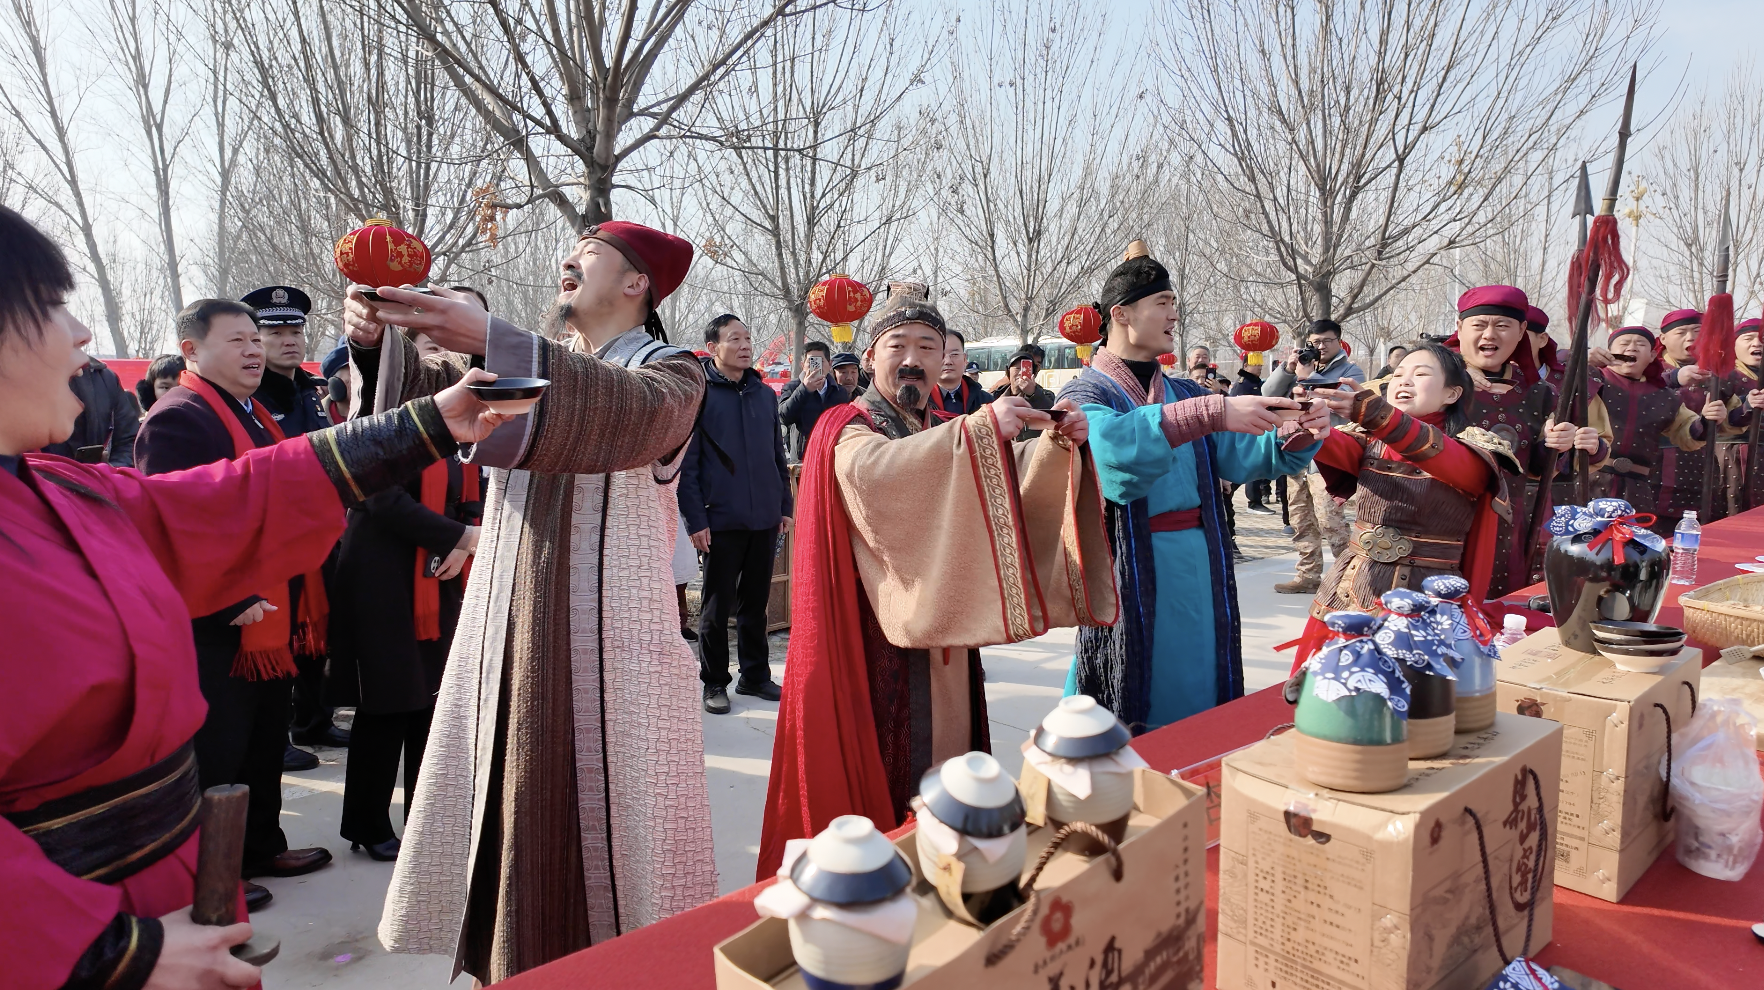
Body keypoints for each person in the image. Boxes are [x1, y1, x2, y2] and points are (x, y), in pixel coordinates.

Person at [0, 204, 508, 990]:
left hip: (167, 911)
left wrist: (428, 425)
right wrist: (108, 953)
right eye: (51, 308)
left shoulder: (56, 487)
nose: (82, 335)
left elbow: (230, 497)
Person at [349, 221, 719, 982]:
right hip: (510, 633)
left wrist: (493, 336)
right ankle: (514, 963)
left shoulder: (674, 374)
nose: (565, 259)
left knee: (617, 831)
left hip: (612, 653)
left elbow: (622, 415)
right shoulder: (548, 371)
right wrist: (378, 339)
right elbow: (441, 404)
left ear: (636, 283)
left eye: (588, 249)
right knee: (510, 804)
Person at [757, 289, 1115, 879]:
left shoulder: (947, 426)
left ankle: (952, 871)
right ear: (871, 357)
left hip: (944, 628)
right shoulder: (846, 425)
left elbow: (1003, 478)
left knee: (952, 774)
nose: (913, 360)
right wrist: (976, 435)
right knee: (896, 780)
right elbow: (875, 473)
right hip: (874, 639)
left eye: (928, 347)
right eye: (898, 346)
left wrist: (1053, 442)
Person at [1060, 246, 1325, 731]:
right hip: (1129, 565)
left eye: (1173, 302)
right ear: (1120, 314)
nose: (1174, 313)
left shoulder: (1185, 391)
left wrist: (1296, 429)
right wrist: (1214, 412)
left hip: (1201, 563)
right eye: (1162, 301)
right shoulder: (1084, 393)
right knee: (1134, 685)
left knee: (1203, 676)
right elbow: (1113, 453)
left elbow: (1241, 454)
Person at [1287, 341, 1514, 667]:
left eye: (1420, 374)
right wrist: (1308, 420)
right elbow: (1329, 443)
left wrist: (1378, 415)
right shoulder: (1368, 437)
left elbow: (1443, 458)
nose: (1403, 381)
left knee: (1417, 702)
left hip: (1427, 594)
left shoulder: (1474, 449)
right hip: (1353, 584)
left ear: (1452, 394)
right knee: (1327, 692)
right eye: (1399, 374)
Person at [327, 436, 482, 864]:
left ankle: (425, 817)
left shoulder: (454, 431)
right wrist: (461, 536)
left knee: (430, 703)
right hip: (383, 578)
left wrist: (463, 537)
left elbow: (468, 491)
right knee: (387, 702)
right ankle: (368, 823)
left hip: (439, 570)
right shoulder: (377, 425)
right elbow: (381, 498)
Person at [240, 284, 352, 759]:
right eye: (277, 332)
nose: (290, 341)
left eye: (296, 331)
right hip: (278, 535)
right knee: (282, 632)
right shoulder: (253, 397)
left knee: (316, 631)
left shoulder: (310, 393)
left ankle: (312, 720)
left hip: (318, 531)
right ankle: (279, 733)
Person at [1445, 285, 1602, 598]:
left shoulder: (1538, 392)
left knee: (1499, 614)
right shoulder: (1434, 379)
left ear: (1521, 332)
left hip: (1507, 524)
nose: (1490, 335)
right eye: (1479, 325)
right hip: (1442, 521)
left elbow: (1535, 469)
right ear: (1460, 329)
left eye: (1502, 326)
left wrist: (1557, 445)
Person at [679, 314, 793, 714]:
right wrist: (696, 520)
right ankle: (714, 681)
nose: (745, 345)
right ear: (713, 348)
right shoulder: (701, 394)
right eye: (735, 339)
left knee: (756, 602)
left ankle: (755, 675)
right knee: (715, 605)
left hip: (763, 515)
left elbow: (776, 455)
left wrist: (784, 506)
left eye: (747, 338)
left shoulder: (764, 394)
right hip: (720, 518)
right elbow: (688, 465)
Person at [1262, 318, 1366, 594]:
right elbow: (1267, 393)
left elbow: (1342, 403)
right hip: (1296, 453)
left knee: (1330, 521)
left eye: (1326, 341)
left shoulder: (1351, 372)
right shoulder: (1299, 368)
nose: (1320, 347)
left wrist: (1308, 379)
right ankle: (1308, 575)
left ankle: (1350, 579)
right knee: (1300, 517)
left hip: (1327, 456)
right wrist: (1288, 369)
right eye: (1315, 342)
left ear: (1338, 341)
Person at [1586, 324, 1717, 537]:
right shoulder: (1591, 380)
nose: (1632, 348)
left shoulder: (1665, 396)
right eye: (1624, 343)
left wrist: (1708, 420)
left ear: (1653, 355)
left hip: (1638, 489)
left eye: (1640, 344)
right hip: (1587, 479)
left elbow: (1688, 434)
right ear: (1609, 352)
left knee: (1636, 553)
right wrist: (1580, 362)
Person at [39, 353, 138, 467]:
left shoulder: (105, 377)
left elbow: (128, 439)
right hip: (40, 480)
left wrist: (107, 473)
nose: (85, 336)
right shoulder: (25, 376)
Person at [1717, 318, 1764, 514]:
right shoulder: (1724, 376)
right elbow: (1716, 419)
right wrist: (1747, 405)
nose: (1757, 343)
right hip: (1733, 455)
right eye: (1749, 338)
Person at [778, 338, 849, 460]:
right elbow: (784, 416)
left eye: (820, 361)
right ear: (802, 365)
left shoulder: (839, 392)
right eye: (811, 362)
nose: (816, 366)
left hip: (833, 455)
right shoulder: (792, 387)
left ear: (829, 364)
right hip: (803, 456)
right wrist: (805, 389)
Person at [985, 342, 1057, 437]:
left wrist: (1032, 394)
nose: (1020, 373)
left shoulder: (1044, 395)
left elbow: (1051, 415)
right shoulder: (994, 397)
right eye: (1017, 368)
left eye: (1025, 369)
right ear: (1008, 372)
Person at [937, 329, 992, 413]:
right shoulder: (919, 402)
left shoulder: (986, 401)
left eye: (954, 354)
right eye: (941, 355)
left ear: (964, 359)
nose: (948, 361)